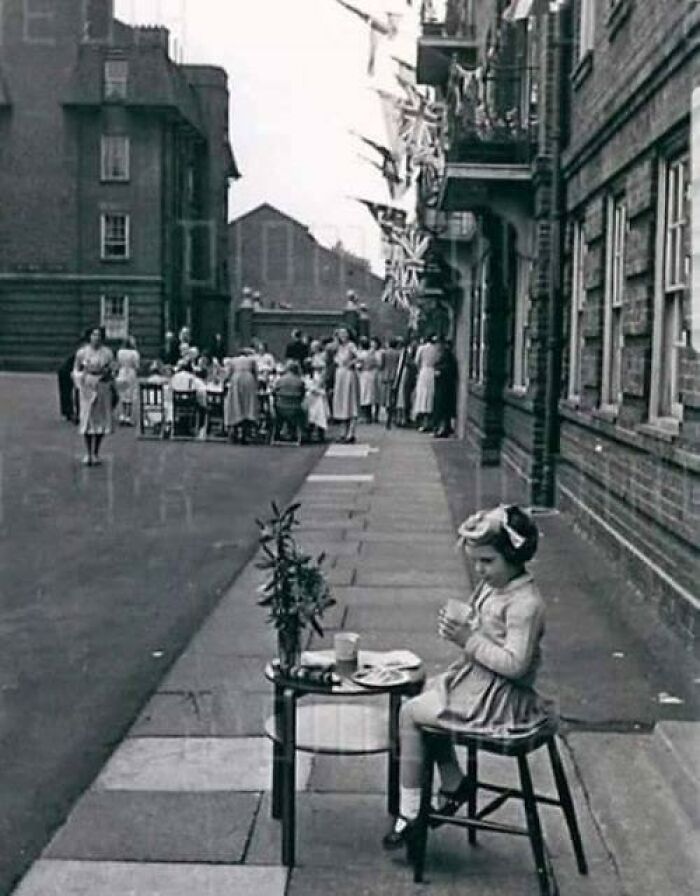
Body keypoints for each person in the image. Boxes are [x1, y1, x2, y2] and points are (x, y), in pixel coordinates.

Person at [382, 505, 552, 852]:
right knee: (425, 693)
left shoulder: (525, 604)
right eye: (475, 562)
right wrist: (465, 623)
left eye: (487, 561)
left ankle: (411, 812)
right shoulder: (496, 587)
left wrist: (467, 639)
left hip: (502, 699)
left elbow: (516, 665)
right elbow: (488, 628)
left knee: (410, 714)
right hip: (480, 683)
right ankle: (453, 781)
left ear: (514, 556)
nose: (479, 570)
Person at [72, 327, 115, 466]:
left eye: (99, 335)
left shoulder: (107, 353)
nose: (96, 338)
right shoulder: (82, 352)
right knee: (87, 417)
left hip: (102, 385)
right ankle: (88, 452)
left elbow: (113, 368)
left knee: (100, 419)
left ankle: (96, 452)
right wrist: (81, 379)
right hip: (87, 386)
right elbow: (75, 370)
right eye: (93, 335)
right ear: (89, 337)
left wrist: (108, 374)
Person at [225, 347, 259, 444]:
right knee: (248, 405)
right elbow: (256, 373)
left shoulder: (233, 361)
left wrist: (226, 382)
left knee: (236, 404)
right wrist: (256, 384)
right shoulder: (252, 361)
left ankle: (235, 430)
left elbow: (228, 374)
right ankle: (245, 432)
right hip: (249, 379)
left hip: (236, 379)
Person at [332, 327, 359, 443]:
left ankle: (351, 433)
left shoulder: (351, 346)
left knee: (350, 402)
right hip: (340, 376)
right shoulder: (338, 347)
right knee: (341, 403)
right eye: (340, 334)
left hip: (348, 375)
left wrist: (351, 363)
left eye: (345, 333)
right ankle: (343, 432)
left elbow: (360, 357)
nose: (343, 336)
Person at [273, 360, 307, 440]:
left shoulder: (280, 380)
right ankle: (301, 431)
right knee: (305, 411)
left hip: (280, 409)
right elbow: (302, 395)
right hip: (295, 409)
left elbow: (274, 392)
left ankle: (277, 432)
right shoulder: (300, 381)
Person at [413, 334, 441, 432]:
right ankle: (429, 421)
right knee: (430, 396)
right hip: (432, 372)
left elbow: (416, 361)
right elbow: (438, 360)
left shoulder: (421, 348)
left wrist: (419, 369)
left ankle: (422, 421)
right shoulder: (437, 350)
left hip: (423, 372)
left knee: (422, 396)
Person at [432, 339, 458, 438]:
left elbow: (446, 368)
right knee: (444, 409)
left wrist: (439, 370)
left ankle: (442, 428)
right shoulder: (448, 356)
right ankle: (444, 428)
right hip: (446, 387)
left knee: (442, 408)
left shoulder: (446, 356)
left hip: (444, 387)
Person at [115, 335, 140, 426]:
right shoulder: (134, 353)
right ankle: (128, 416)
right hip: (130, 373)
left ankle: (122, 415)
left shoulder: (120, 352)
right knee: (130, 395)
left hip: (121, 373)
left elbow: (118, 363)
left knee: (122, 395)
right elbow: (136, 365)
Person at [357, 336, 382, 423]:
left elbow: (358, 366)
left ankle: (365, 416)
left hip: (364, 375)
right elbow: (378, 364)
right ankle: (369, 416)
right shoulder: (372, 355)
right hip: (372, 374)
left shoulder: (361, 355)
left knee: (364, 395)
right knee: (370, 395)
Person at [394, 338, 417, 428]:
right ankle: (402, 418)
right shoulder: (405, 353)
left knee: (403, 397)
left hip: (404, 375)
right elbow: (407, 363)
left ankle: (402, 417)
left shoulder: (404, 353)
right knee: (403, 397)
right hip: (404, 375)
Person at [57, 339, 80, 423]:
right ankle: (70, 412)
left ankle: (71, 412)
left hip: (71, 369)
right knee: (72, 390)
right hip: (68, 371)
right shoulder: (83, 352)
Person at [380, 337, 401, 423]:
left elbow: (382, 364)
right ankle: (393, 413)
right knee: (393, 394)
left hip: (386, 374)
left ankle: (388, 410)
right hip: (395, 374)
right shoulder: (398, 353)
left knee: (386, 394)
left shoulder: (385, 353)